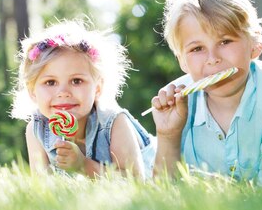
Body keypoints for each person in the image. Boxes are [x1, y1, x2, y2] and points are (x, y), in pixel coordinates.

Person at [150, 0, 262, 185]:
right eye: (197, 48)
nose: (213, 59)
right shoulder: (175, 103)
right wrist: (168, 135)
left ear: (255, 45)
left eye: (225, 42)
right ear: (182, 62)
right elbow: (163, 192)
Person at [12, 20, 155, 179]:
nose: (63, 92)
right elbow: (42, 186)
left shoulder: (114, 122)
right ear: (32, 91)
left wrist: (83, 166)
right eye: (50, 82)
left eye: (76, 81)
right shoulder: (37, 129)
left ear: (98, 88)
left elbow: (136, 179)